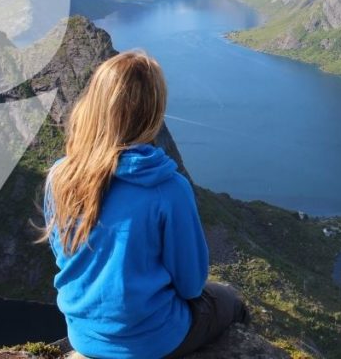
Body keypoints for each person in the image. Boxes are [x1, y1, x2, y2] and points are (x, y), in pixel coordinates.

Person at [42, 50, 248, 358]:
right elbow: (191, 286)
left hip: (83, 336)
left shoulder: (61, 176)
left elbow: (64, 255)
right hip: (152, 341)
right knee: (230, 302)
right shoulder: (167, 188)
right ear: (153, 113)